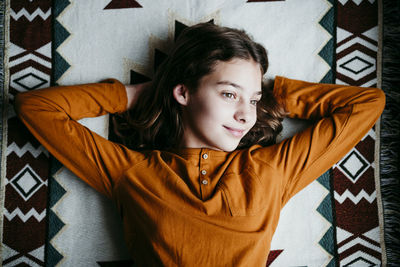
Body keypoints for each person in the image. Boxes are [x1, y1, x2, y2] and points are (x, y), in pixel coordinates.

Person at [14, 23, 385, 266]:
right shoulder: (131, 172)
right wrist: (134, 95)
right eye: (228, 94)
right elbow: (36, 108)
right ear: (183, 93)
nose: (245, 115)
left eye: (252, 100)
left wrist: (280, 96)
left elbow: (368, 103)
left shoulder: (274, 170)